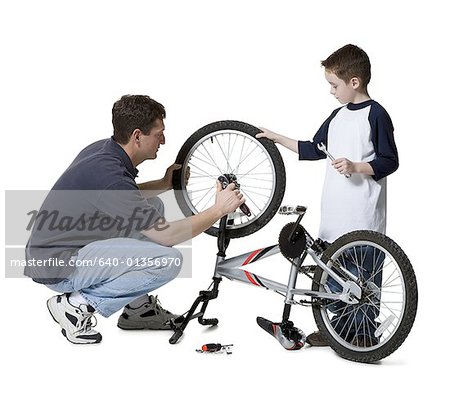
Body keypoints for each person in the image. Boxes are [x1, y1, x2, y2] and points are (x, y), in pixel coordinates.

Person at [25, 95, 244, 344]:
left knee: (154, 205)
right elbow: (166, 235)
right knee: (167, 261)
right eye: (159, 133)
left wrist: (163, 184)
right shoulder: (109, 174)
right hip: (60, 264)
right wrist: (218, 210)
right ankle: (75, 305)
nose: (163, 140)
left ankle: (137, 310)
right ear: (138, 136)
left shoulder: (104, 150)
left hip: (61, 251)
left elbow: (120, 198)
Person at [256, 44, 399, 347]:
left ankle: (361, 335)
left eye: (334, 85)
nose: (331, 91)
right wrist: (277, 138)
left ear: (354, 82)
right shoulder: (336, 116)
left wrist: (356, 165)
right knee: (331, 280)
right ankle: (337, 331)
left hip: (363, 218)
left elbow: (390, 161)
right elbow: (312, 148)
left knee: (363, 282)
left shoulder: (376, 115)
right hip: (334, 218)